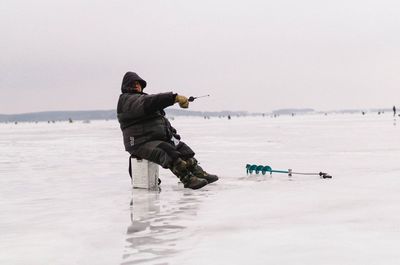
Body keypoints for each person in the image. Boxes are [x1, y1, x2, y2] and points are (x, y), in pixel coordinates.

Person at [117, 72, 218, 190]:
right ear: (126, 86)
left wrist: (173, 135)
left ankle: (198, 172)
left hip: (153, 138)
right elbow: (153, 101)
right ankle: (187, 178)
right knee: (166, 150)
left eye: (138, 84)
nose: (136, 86)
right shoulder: (127, 101)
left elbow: (161, 121)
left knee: (181, 148)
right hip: (139, 142)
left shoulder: (143, 101)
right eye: (133, 83)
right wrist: (174, 98)